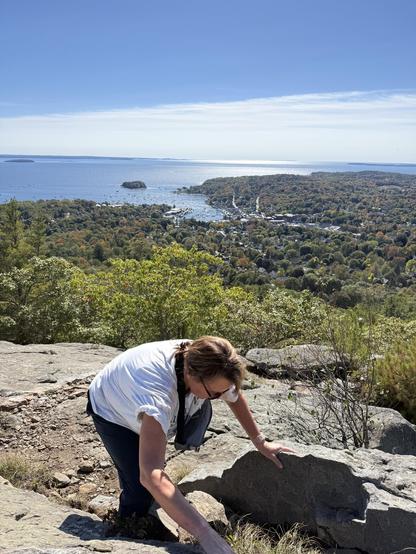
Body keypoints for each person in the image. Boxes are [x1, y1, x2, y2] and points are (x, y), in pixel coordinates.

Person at [86, 336, 293, 553]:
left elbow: (235, 397)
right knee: (140, 487)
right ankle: (129, 527)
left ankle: (165, 501)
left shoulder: (210, 360)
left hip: (150, 400)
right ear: (190, 373)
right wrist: (205, 533)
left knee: (158, 461)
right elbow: (150, 474)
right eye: (214, 394)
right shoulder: (158, 393)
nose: (219, 397)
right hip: (112, 409)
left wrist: (261, 443)